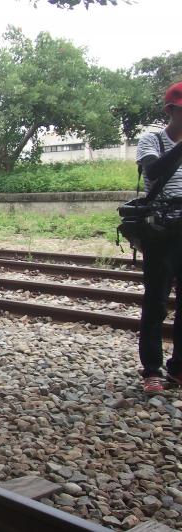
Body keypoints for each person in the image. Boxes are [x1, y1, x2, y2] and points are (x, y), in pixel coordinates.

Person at [137, 81, 182, 394]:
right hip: (161, 231)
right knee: (155, 302)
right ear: (171, 110)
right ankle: (152, 368)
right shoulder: (151, 140)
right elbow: (154, 172)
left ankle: (178, 369)